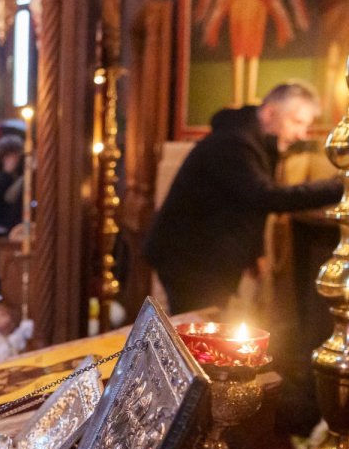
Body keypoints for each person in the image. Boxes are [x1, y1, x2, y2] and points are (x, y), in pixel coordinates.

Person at [145, 81, 340, 313]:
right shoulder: (234, 142)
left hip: (205, 257)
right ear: (270, 113)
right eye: (297, 122)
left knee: (203, 330)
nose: (301, 134)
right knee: (195, 333)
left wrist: (254, 252)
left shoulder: (253, 140)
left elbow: (247, 203)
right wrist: (338, 186)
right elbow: (263, 196)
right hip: (192, 259)